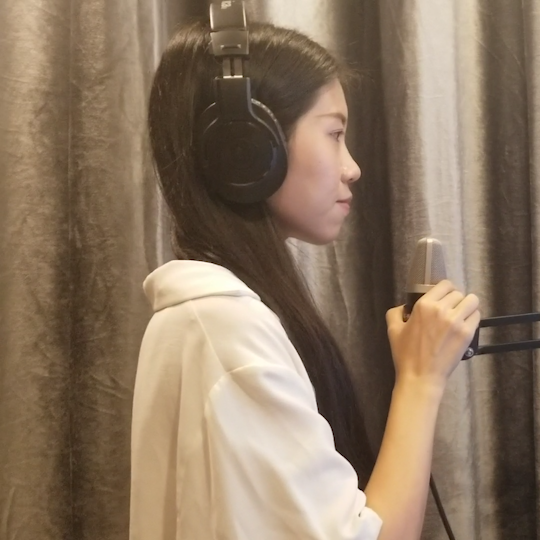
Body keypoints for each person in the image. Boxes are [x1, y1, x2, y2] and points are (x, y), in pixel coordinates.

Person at [129, 13, 481, 540]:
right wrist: (420, 380)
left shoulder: (211, 319)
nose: (352, 167)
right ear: (246, 148)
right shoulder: (227, 331)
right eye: (334, 134)